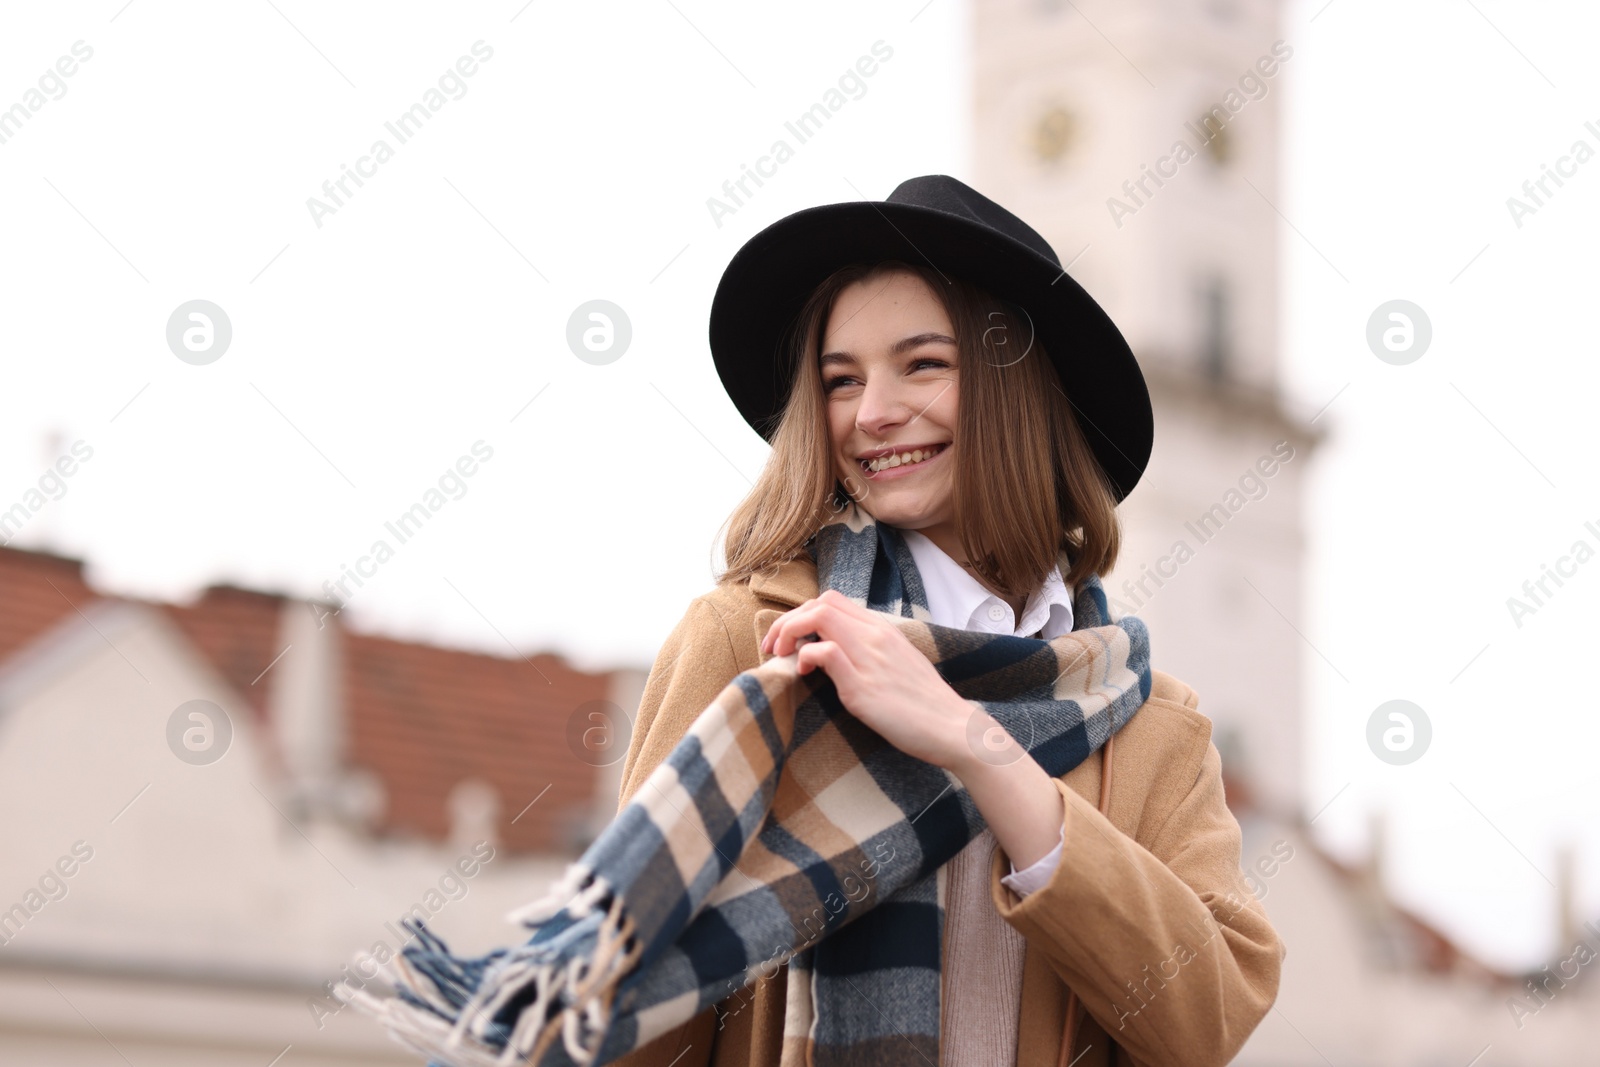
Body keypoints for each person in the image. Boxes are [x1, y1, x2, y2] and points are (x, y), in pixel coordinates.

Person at [611, 175, 1284, 1067]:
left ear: (1023, 390)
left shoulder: (1156, 725)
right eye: (839, 380)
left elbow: (1208, 1019)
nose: (872, 413)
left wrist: (979, 745)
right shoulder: (751, 642)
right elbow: (630, 1004)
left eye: (923, 363)